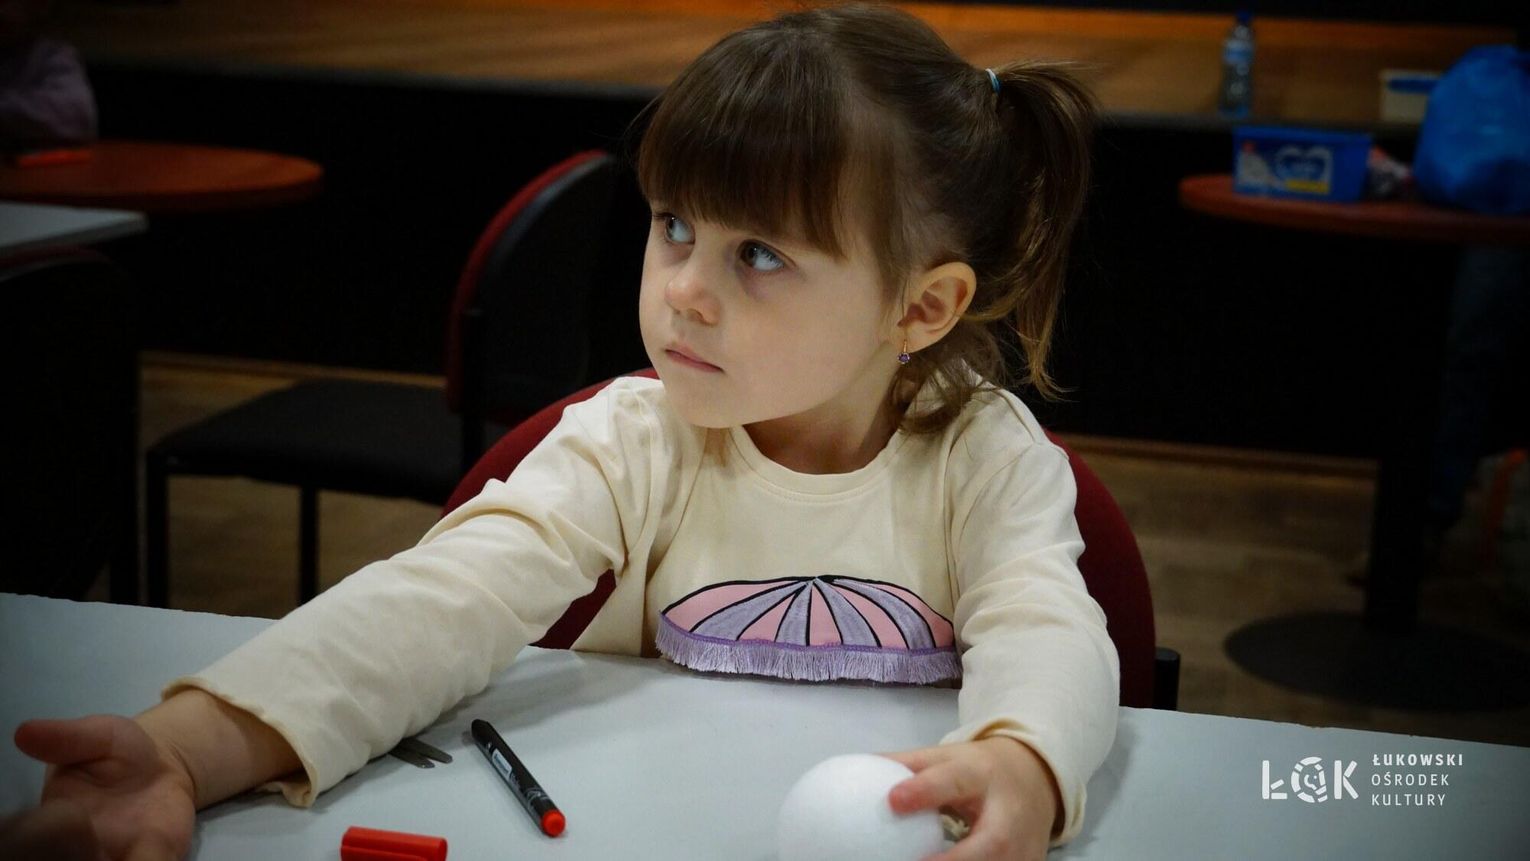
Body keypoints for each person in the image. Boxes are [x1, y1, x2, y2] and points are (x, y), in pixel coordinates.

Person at [8, 5, 1118, 859]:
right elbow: (436, 605)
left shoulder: (985, 460)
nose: (682, 290)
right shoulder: (638, 440)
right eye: (674, 225)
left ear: (919, 308)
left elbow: (1048, 631)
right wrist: (181, 752)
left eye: (759, 254)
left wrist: (1022, 762)